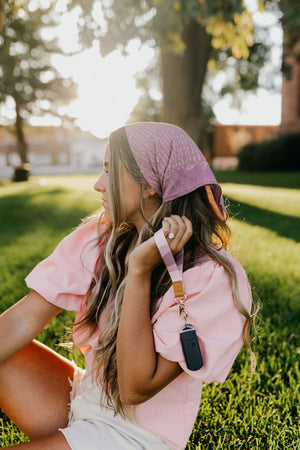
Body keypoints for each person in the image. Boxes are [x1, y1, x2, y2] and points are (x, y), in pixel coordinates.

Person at [0, 122, 254, 450]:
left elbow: (134, 388)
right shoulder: (100, 239)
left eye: (108, 171)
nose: (97, 185)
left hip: (132, 437)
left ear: (149, 183)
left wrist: (139, 272)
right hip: (85, 399)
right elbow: (20, 321)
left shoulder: (210, 277)